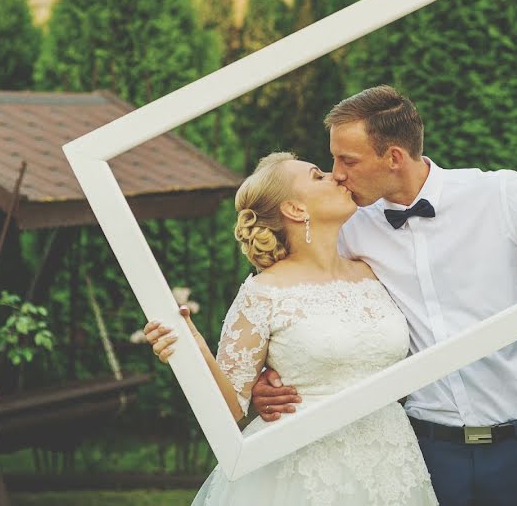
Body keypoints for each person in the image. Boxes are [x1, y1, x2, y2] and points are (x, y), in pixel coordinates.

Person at [246, 85, 517, 506]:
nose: (337, 174)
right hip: (424, 453)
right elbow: (289, 296)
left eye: (347, 160)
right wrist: (264, 377)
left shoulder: (500, 196)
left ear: (393, 157)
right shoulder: (348, 226)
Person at [144, 152, 440, 505]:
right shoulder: (263, 292)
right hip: (301, 471)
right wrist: (192, 345)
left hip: (390, 460)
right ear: (295, 210)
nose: (337, 177)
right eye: (318, 176)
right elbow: (229, 409)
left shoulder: (373, 271)